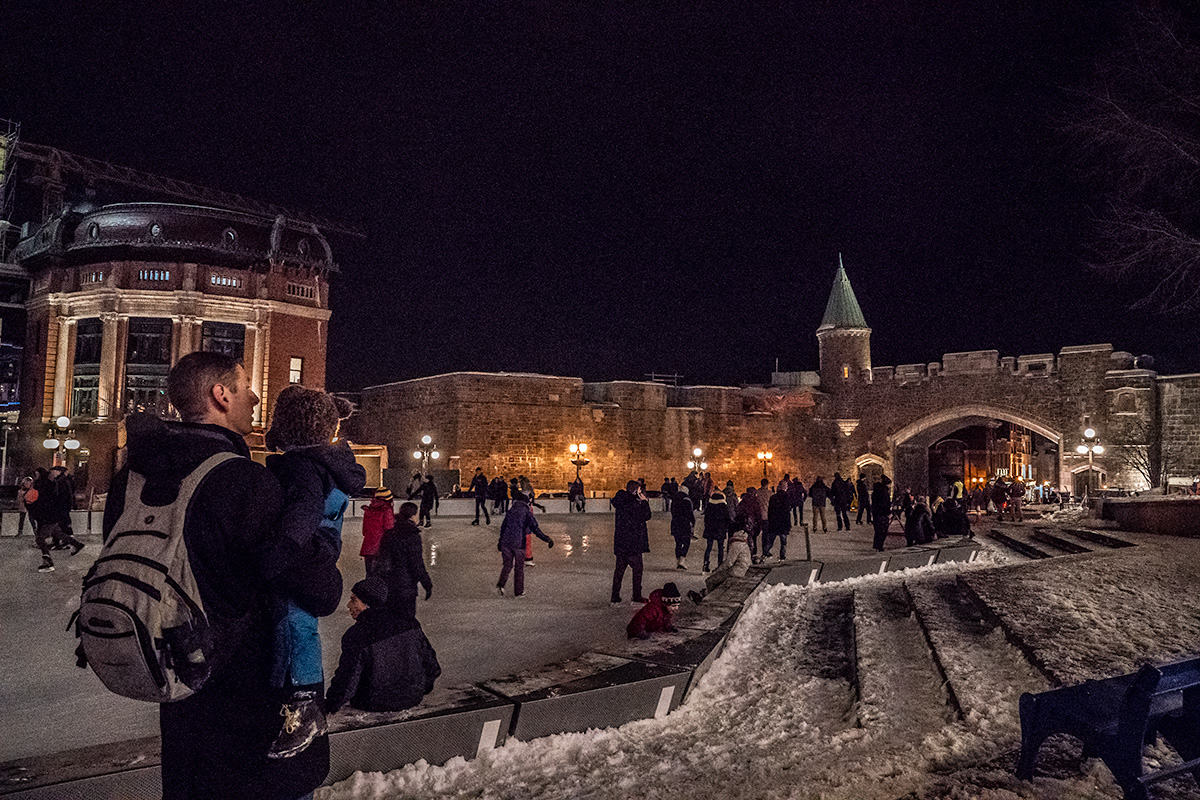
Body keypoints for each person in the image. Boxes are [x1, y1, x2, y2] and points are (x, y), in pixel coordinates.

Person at [101, 351, 341, 799]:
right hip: (245, 701)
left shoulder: (129, 478)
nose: (254, 397)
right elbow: (323, 592)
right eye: (245, 385)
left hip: (177, 687)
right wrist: (325, 540)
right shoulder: (244, 481)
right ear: (221, 394)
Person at [260, 384, 366, 759]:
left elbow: (303, 511)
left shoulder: (302, 468)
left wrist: (280, 551)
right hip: (319, 551)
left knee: (293, 622)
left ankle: (303, 703)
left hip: (302, 553)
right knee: (301, 623)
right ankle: (303, 699)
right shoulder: (328, 463)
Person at [324, 577, 441, 715]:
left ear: (369, 603)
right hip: (413, 697)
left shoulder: (358, 634)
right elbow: (432, 667)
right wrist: (418, 689)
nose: (349, 605)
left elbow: (347, 683)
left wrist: (330, 705)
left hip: (374, 702)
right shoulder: (409, 623)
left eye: (354, 600)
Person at [378, 501, 433, 622]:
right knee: (406, 620)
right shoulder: (412, 535)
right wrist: (427, 584)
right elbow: (416, 564)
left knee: (392, 619)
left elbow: (380, 559)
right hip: (405, 586)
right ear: (413, 516)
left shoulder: (389, 533)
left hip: (389, 584)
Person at [497, 492, 553, 596]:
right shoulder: (526, 512)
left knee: (507, 565)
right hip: (518, 543)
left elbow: (503, 527)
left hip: (506, 542)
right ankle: (518, 591)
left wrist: (500, 542)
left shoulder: (510, 511)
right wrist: (547, 539)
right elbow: (535, 528)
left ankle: (501, 584)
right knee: (519, 568)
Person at [687, 523, 753, 604]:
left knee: (710, 580)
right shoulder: (742, 540)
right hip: (742, 569)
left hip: (737, 571)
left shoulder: (736, 543)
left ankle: (709, 601)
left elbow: (729, 563)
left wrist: (717, 570)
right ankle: (706, 595)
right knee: (718, 579)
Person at [610, 480, 651, 605]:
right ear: (635, 491)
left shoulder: (621, 501)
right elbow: (647, 515)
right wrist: (644, 502)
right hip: (633, 543)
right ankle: (636, 596)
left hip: (621, 542)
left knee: (619, 571)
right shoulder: (634, 504)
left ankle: (615, 596)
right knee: (637, 570)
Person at [360, 488, 395, 577]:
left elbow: (364, 530)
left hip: (368, 546)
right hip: (381, 547)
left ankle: (368, 590)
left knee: (369, 574)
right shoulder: (387, 510)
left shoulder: (369, 510)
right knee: (380, 575)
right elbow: (389, 528)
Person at [702, 490, 730, 573]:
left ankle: (705, 564)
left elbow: (706, 518)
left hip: (710, 529)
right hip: (720, 530)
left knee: (709, 547)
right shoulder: (723, 506)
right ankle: (719, 565)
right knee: (720, 548)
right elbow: (727, 518)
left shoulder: (709, 506)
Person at [670, 482, 695, 570]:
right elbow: (690, 513)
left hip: (675, 523)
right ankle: (682, 559)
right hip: (684, 524)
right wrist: (693, 522)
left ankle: (678, 560)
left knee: (678, 542)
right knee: (687, 542)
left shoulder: (674, 499)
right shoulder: (687, 499)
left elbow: (672, 511)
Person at [764, 481, 791, 560]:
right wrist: (788, 524)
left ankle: (765, 553)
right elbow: (787, 513)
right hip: (783, 523)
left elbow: (770, 511)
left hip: (774, 523)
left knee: (770, 541)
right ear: (785, 488)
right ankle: (782, 556)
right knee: (783, 542)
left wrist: (770, 521)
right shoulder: (787, 497)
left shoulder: (773, 497)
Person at [736, 486, 764, 561]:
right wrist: (759, 524)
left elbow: (738, 512)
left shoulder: (743, 502)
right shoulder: (755, 502)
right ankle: (752, 554)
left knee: (746, 539)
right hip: (753, 524)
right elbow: (758, 514)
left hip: (744, 524)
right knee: (753, 539)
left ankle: (746, 554)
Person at [871, 474, 894, 552]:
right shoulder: (884, 493)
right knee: (882, 530)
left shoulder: (876, 492)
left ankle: (877, 545)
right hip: (882, 514)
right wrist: (889, 511)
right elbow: (884, 504)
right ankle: (879, 546)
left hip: (876, 513)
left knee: (878, 530)